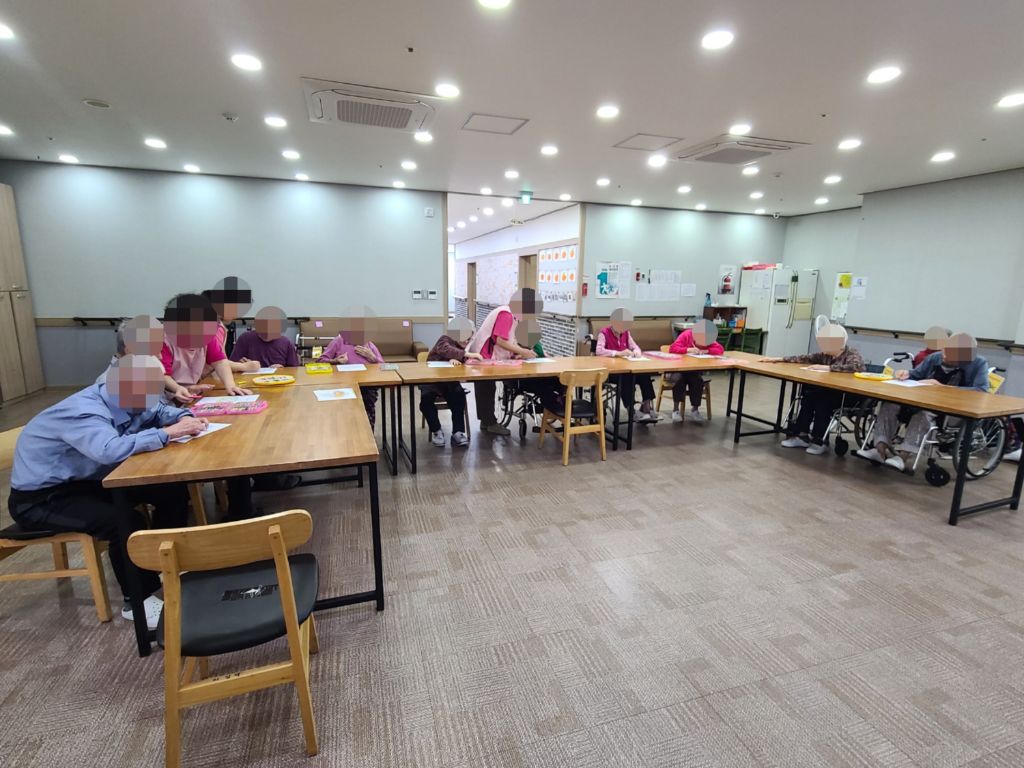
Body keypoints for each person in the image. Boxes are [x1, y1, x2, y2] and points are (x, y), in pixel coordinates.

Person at [8, 355, 209, 630]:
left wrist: (185, 417)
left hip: (87, 483)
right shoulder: (84, 410)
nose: (154, 398)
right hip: (42, 499)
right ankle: (136, 601)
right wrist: (167, 433)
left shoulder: (131, 397)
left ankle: (159, 561)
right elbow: (108, 450)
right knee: (123, 521)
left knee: (170, 490)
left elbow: (160, 412)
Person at [857, 332, 989, 470]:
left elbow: (981, 390)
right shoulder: (935, 357)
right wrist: (905, 374)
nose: (944, 354)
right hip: (921, 400)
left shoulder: (979, 363)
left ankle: (903, 456)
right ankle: (879, 450)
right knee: (890, 405)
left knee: (923, 414)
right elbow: (916, 374)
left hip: (950, 409)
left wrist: (943, 388)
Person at [765, 323, 865, 454]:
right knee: (808, 397)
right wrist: (779, 359)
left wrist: (828, 368)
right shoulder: (826, 354)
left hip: (847, 395)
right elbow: (804, 358)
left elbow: (856, 367)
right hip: (829, 390)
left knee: (822, 403)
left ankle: (820, 440)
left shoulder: (851, 354)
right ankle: (802, 435)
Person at [466, 290, 541, 436]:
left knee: (486, 388)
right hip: (485, 355)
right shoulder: (506, 314)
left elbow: (509, 340)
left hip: (488, 356)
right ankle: (490, 423)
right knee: (486, 387)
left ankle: (486, 421)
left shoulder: (512, 315)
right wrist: (523, 351)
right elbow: (500, 340)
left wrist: (516, 354)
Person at [160, 293, 252, 402]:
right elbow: (162, 375)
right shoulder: (163, 341)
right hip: (164, 396)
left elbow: (220, 362)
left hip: (189, 392)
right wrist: (178, 388)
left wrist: (231, 385)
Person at [421, 318, 482, 448]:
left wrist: (458, 359)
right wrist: (465, 355)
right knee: (426, 401)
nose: (466, 341)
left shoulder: (464, 347)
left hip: (449, 381)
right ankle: (437, 431)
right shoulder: (445, 339)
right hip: (432, 379)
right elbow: (446, 350)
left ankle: (458, 432)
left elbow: (464, 361)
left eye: (468, 338)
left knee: (459, 396)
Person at [318, 317, 385, 428]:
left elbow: (384, 367)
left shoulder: (369, 345)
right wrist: (335, 361)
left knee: (366, 404)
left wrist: (373, 358)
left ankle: (367, 432)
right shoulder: (338, 341)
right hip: (343, 383)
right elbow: (320, 361)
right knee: (346, 409)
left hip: (366, 384)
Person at [596, 309, 658, 423]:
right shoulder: (604, 333)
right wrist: (618, 353)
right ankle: (631, 412)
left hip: (625, 367)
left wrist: (636, 352)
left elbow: (635, 346)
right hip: (611, 372)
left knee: (644, 375)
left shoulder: (626, 333)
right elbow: (599, 351)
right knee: (627, 378)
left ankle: (646, 407)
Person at [666, 319, 724, 424]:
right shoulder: (687, 334)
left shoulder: (708, 338)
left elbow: (720, 350)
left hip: (693, 369)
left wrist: (705, 350)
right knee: (679, 380)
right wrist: (688, 349)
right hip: (678, 368)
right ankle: (675, 410)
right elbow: (673, 348)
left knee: (697, 381)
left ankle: (695, 409)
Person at [203, 278, 261, 374]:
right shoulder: (214, 328)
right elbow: (219, 362)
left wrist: (240, 365)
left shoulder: (219, 327)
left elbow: (222, 360)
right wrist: (244, 366)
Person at [230, 306, 301, 368]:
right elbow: (230, 365)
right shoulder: (245, 338)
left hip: (277, 378)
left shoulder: (286, 343)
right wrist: (242, 366)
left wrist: (282, 369)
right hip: (249, 377)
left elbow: (294, 370)